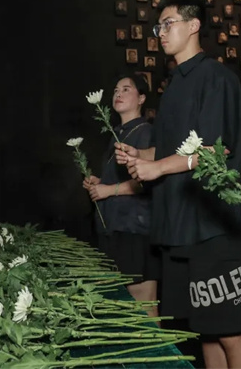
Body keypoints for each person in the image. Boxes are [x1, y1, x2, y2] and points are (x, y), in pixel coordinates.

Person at [117, 0, 241, 368]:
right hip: (182, 228)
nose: (161, 33)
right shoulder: (174, 85)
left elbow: (216, 150)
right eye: (158, 27)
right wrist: (142, 156)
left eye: (168, 24)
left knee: (234, 333)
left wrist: (157, 168)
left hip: (216, 226)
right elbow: (174, 151)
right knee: (206, 331)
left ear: (194, 25)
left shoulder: (216, 78)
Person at [83, 75, 159, 316]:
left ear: (142, 98)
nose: (118, 94)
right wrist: (100, 183)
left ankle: (155, 343)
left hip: (134, 229)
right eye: (116, 90)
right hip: (115, 228)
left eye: (126, 89)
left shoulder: (145, 132)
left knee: (144, 302)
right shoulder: (117, 133)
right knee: (124, 306)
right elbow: (120, 179)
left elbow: (147, 181)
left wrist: (107, 190)